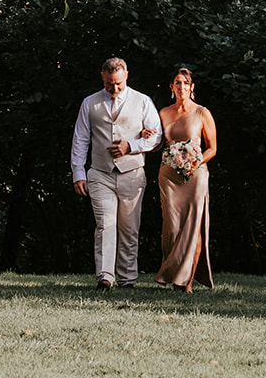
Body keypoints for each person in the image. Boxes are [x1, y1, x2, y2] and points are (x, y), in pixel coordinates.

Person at [71, 57, 162, 289]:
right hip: (100, 172)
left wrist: (131, 146)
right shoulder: (89, 103)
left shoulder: (142, 101)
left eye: (119, 83)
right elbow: (80, 139)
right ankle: (105, 277)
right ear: (102, 77)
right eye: (110, 83)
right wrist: (78, 173)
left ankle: (127, 279)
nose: (115, 88)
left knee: (129, 228)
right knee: (105, 225)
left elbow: (157, 137)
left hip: (132, 172)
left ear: (127, 76)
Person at [152, 67, 215, 291]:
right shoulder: (163, 113)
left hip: (195, 175)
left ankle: (186, 282)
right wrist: (147, 135)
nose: (181, 87)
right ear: (171, 87)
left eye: (186, 83)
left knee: (193, 227)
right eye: (177, 83)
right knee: (171, 227)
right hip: (169, 176)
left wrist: (194, 163)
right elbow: (157, 145)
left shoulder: (202, 113)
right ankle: (172, 273)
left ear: (192, 87)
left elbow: (212, 148)